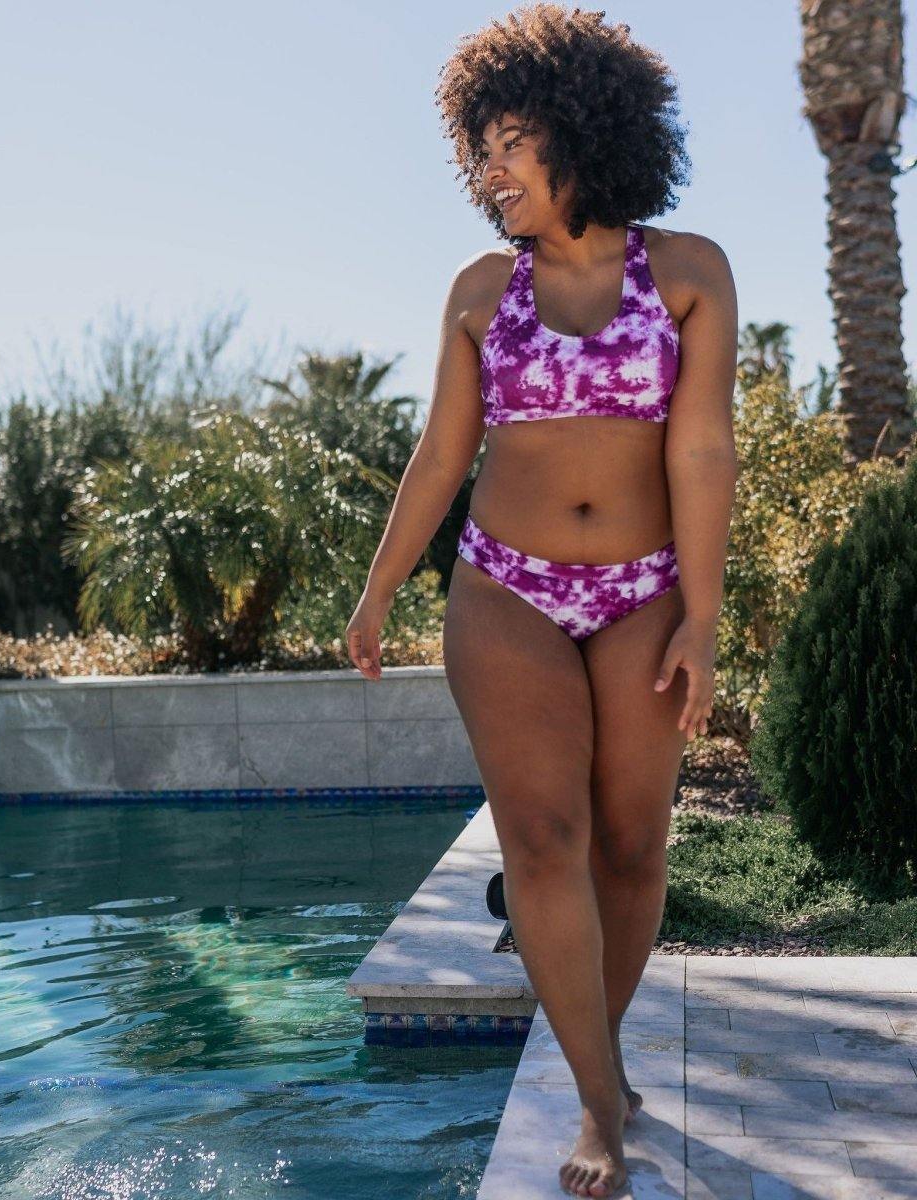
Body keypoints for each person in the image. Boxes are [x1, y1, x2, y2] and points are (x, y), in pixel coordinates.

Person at [344, 5, 739, 1196]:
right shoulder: (481, 291)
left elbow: (702, 451)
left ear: (582, 132)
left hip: (643, 591)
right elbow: (441, 455)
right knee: (543, 840)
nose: (490, 173)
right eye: (480, 152)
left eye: (510, 144)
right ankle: (598, 1105)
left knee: (631, 845)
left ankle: (598, 1056)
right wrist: (377, 593)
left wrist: (703, 614)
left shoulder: (688, 274)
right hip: (505, 588)